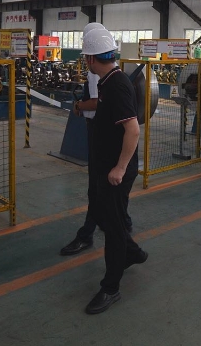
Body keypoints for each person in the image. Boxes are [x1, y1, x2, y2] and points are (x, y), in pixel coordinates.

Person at [77, 27, 147, 315]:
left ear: (91, 59)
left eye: (85, 57)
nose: (85, 62)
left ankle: (111, 287)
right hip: (106, 167)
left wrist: (119, 168)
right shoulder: (108, 81)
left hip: (116, 171)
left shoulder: (116, 85)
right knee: (106, 216)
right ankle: (133, 253)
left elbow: (133, 130)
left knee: (114, 229)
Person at [60, 23, 133, 257]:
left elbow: (130, 128)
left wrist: (78, 106)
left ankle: (92, 236)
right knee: (110, 196)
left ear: (90, 57)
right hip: (108, 137)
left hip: (105, 140)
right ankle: (125, 234)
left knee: (99, 190)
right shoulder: (113, 76)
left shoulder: (105, 78)